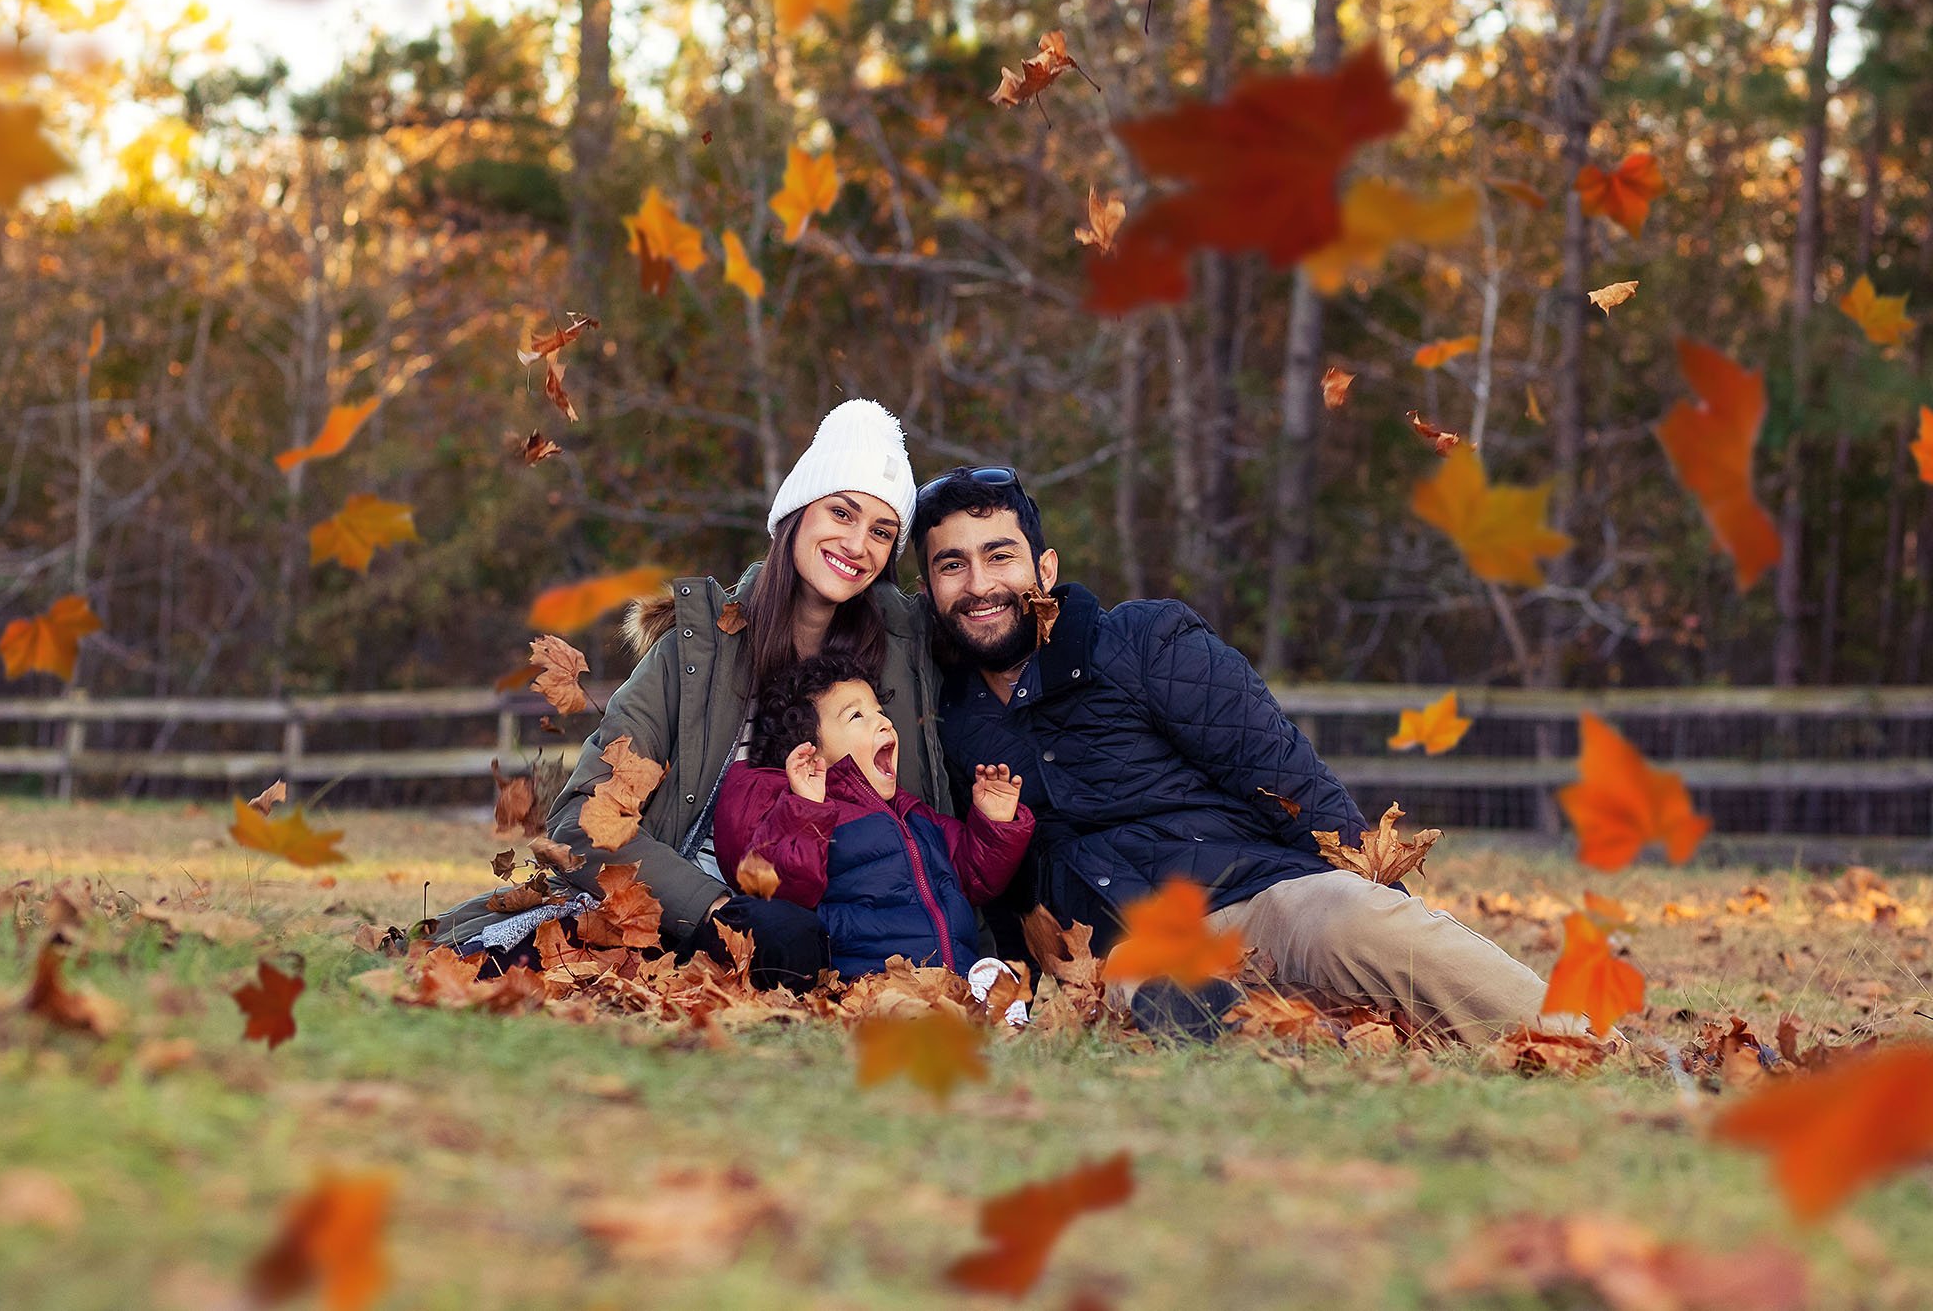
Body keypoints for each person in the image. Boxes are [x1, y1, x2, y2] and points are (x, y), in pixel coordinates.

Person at [910, 465, 1553, 1043]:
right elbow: (986, 880)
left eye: (1000, 556)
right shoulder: (951, 721)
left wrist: (1369, 882)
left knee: (1353, 921)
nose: (980, 584)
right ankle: (1295, 1036)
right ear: (929, 588)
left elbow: (1283, 771)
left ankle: (1593, 1045)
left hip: (1256, 898)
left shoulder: (1141, 642)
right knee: (1150, 996)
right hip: (1125, 955)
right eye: (952, 565)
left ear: (1044, 569)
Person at [431, 400, 952, 990]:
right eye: (842, 512)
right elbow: (583, 820)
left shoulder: (899, 667)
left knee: (796, 948)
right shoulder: (698, 652)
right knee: (514, 964)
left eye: (881, 532)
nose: (858, 544)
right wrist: (712, 911)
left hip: (843, 939)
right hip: (685, 912)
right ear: (799, 512)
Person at [711, 650, 1033, 979]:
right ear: (811, 753)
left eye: (880, 711)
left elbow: (972, 877)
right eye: (857, 716)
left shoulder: (915, 815)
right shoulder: (810, 812)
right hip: (868, 985)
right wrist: (806, 807)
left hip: (952, 982)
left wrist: (994, 824)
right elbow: (786, 890)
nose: (884, 722)